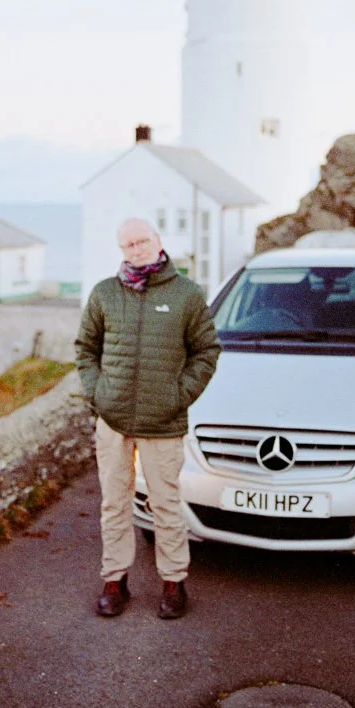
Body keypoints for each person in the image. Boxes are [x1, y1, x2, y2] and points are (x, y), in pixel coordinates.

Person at [74, 217, 221, 619]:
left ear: (158, 242)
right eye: (127, 245)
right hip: (114, 421)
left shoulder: (187, 295)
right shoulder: (105, 293)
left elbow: (207, 351)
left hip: (164, 423)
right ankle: (114, 580)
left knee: (166, 505)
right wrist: (98, 393)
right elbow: (85, 348)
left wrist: (179, 395)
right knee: (114, 503)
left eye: (142, 241)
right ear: (121, 250)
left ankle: (174, 583)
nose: (135, 250)